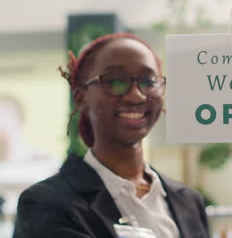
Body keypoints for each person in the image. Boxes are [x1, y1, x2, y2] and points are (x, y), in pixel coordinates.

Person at [13, 33, 209, 238]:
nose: (136, 95)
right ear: (81, 98)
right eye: (115, 82)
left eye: (148, 81)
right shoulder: (48, 203)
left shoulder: (189, 201)